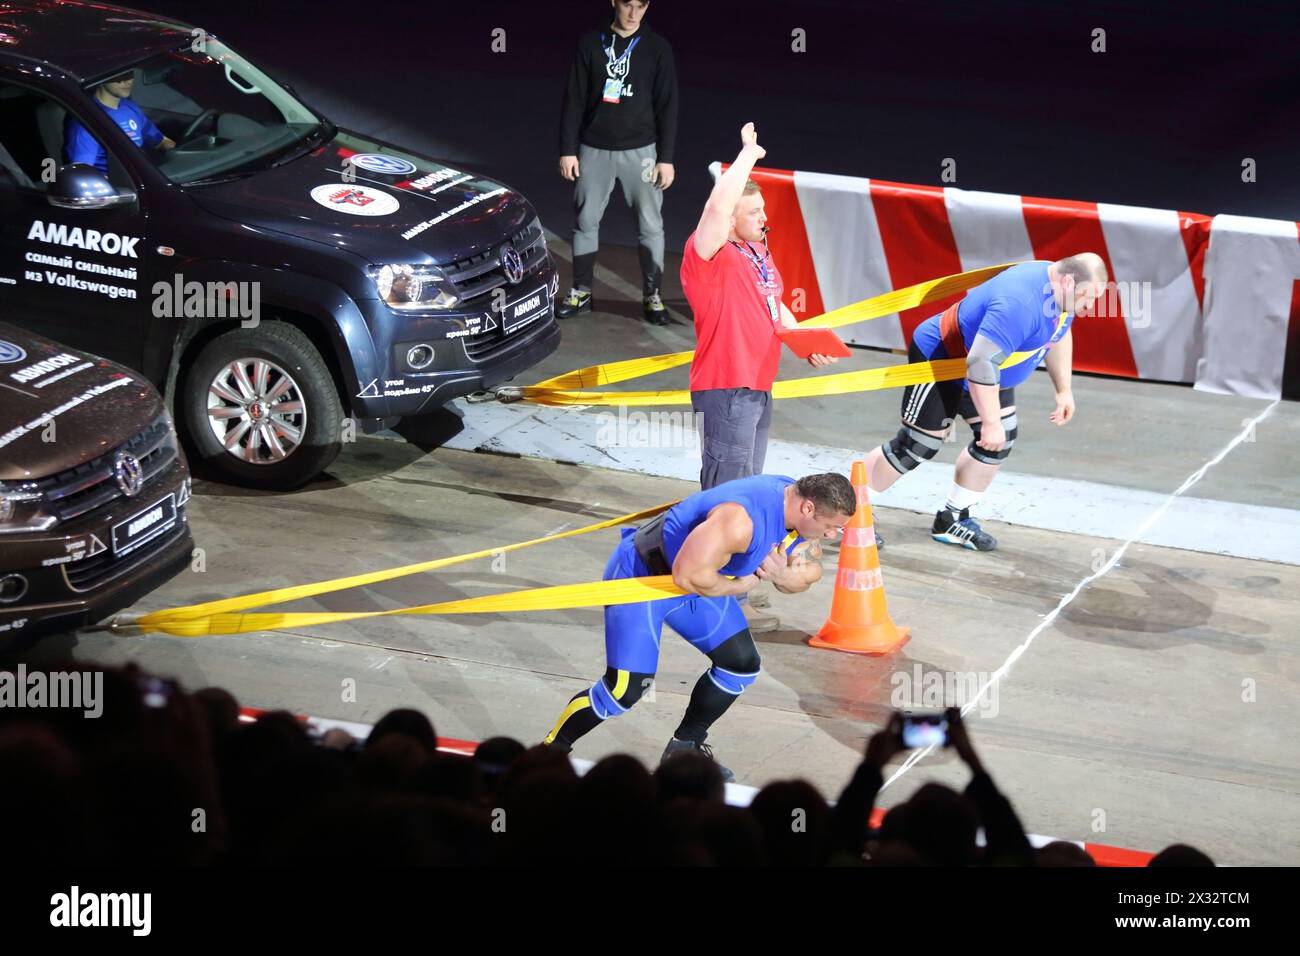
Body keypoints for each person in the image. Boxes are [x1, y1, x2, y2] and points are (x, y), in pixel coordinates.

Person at [542, 472, 856, 781]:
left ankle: (683, 749)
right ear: (808, 508)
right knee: (624, 690)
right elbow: (686, 576)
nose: (831, 537)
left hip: (698, 581)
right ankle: (546, 755)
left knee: (740, 666)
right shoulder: (741, 519)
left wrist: (780, 576)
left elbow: (807, 575)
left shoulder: (797, 505)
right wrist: (741, 586)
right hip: (644, 578)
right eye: (831, 528)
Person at [680, 122, 841, 629]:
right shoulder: (707, 255)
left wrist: (803, 341)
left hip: (757, 386)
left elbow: (776, 310)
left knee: (747, 490)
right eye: (753, 212)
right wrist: (746, 156)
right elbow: (715, 209)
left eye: (764, 211)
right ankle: (710, 592)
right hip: (725, 386)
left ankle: (730, 588)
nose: (763, 219)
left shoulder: (758, 254)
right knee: (727, 492)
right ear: (730, 220)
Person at [862, 254, 1108, 551]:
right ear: (1068, 280)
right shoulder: (1020, 303)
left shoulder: (1060, 290)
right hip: (943, 360)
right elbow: (979, 363)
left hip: (989, 372)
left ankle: (952, 518)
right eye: (1087, 297)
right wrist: (990, 423)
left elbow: (1058, 333)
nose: (1090, 307)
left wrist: (1064, 390)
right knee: (918, 445)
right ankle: (846, 508)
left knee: (999, 442)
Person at [557, 0, 678, 325]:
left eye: (641, 6)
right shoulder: (590, 43)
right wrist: (568, 149)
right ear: (614, 2)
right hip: (593, 149)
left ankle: (652, 296)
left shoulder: (657, 48)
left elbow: (668, 105)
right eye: (627, 4)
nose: (633, 13)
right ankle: (581, 291)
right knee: (585, 223)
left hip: (641, 152)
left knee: (651, 226)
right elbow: (574, 98)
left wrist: (665, 158)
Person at [64, 73, 175, 174]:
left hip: (145, 176)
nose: (128, 81)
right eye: (119, 76)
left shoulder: (130, 107)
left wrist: (179, 154)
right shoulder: (87, 121)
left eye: (130, 74)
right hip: (119, 186)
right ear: (101, 77)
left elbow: (160, 141)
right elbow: (84, 172)